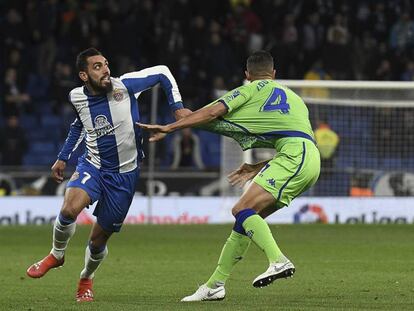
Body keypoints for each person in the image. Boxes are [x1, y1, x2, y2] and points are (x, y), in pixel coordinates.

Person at [138, 50, 321, 301]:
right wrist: (257, 168)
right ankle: (215, 285)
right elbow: (296, 137)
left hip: (292, 158)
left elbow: (214, 112)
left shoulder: (249, 90)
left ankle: (278, 260)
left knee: (240, 209)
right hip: (309, 159)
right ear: (274, 74)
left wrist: (170, 127)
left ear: (247, 75)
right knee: (246, 219)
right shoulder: (294, 98)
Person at [26, 48, 189, 302]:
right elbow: (80, 123)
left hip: (125, 176)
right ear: (84, 74)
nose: (105, 70)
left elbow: (162, 72)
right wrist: (63, 156)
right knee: (69, 209)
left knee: (98, 241)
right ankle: (57, 254)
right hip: (93, 165)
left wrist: (177, 108)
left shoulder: (125, 86)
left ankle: (85, 278)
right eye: (97, 67)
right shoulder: (77, 96)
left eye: (106, 64)